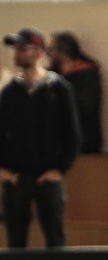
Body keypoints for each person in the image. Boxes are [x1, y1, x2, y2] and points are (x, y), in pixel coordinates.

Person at [0, 26, 81, 248]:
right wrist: (3, 169)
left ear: (37, 52)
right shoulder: (10, 92)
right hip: (16, 177)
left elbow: (73, 134)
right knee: (15, 243)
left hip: (47, 175)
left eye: (22, 48)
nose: (16, 53)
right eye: (15, 49)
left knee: (55, 240)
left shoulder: (59, 89)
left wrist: (60, 169)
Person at [47, 31, 103, 154]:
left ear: (63, 52)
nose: (47, 54)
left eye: (50, 50)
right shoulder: (51, 75)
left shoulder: (87, 74)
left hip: (83, 141)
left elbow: (83, 106)